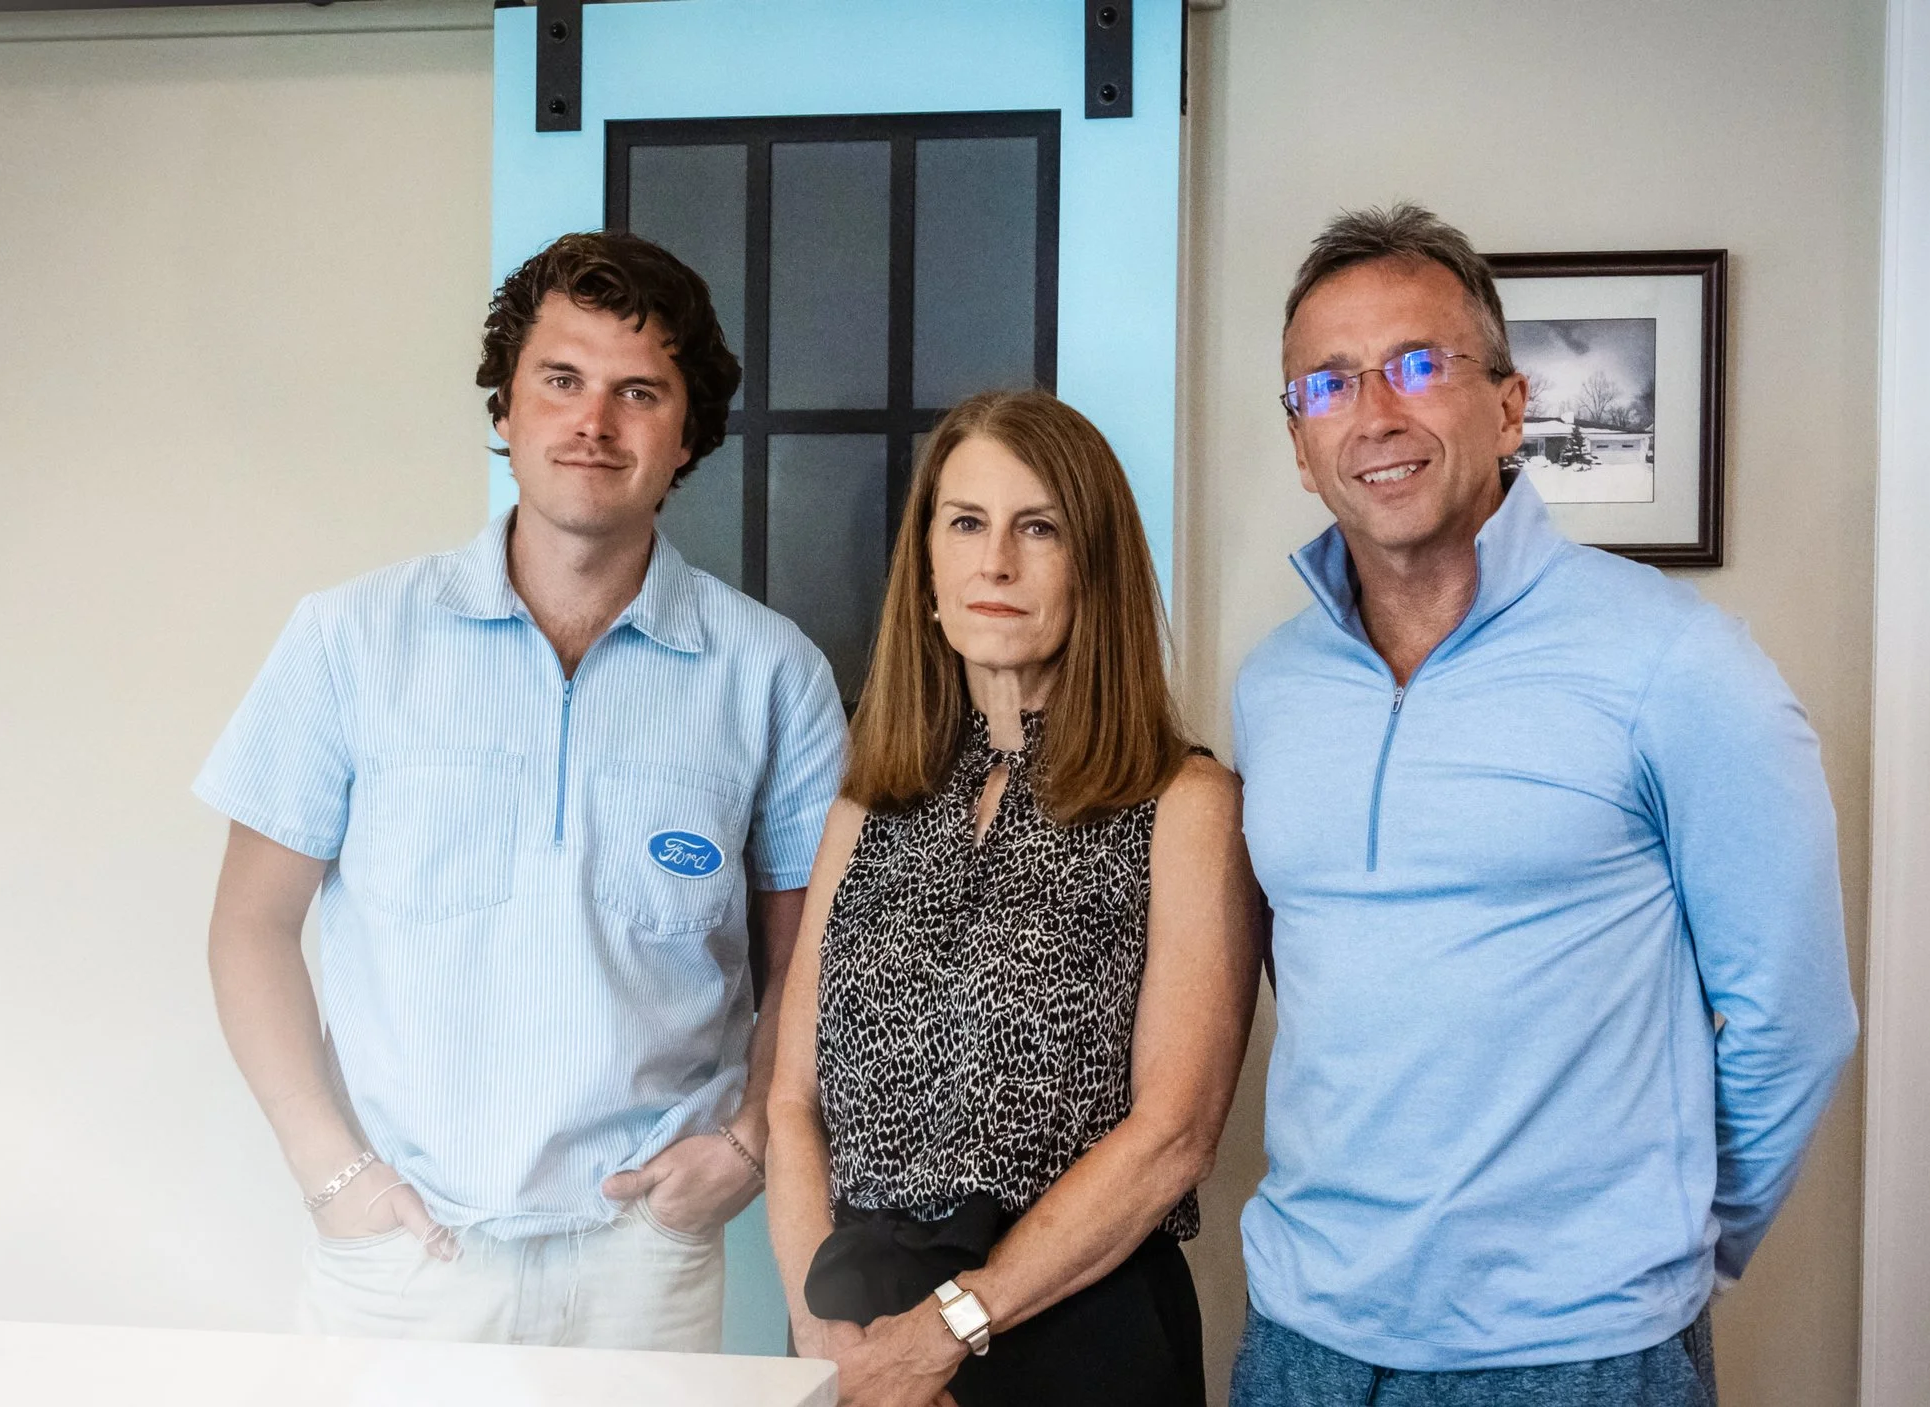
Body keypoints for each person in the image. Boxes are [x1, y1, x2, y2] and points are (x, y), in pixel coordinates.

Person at [1229, 205, 1859, 1406]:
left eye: (1420, 366)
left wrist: (1666, 1246)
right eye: (1329, 383)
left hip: (1577, 1355)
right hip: (1304, 1342)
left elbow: (1794, 1020)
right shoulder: (1273, 688)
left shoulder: (1677, 665)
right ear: (1300, 440)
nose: (1376, 413)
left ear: (1508, 406)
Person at [195, 231, 847, 1350]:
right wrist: (331, 1176)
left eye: (638, 392)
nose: (592, 423)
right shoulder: (351, 640)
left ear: (687, 433)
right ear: (505, 409)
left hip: (644, 1259)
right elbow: (249, 928)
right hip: (406, 1252)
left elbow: (814, 961)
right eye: (560, 381)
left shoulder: (770, 673)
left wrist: (746, 1146)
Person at [765, 390, 1262, 1407]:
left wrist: (948, 1330)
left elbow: (1173, 1134)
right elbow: (790, 1102)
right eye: (966, 524)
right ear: (929, 569)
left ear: (1096, 567)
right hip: (854, 1337)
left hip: (1077, 1328)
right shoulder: (865, 808)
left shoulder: (1185, 804)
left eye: (1038, 528)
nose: (995, 562)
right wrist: (833, 1346)